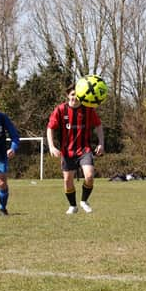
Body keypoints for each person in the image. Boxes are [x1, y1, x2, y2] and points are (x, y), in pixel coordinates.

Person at [47, 84, 104, 215]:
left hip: (85, 150)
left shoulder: (88, 109)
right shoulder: (60, 110)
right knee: (67, 180)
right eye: (72, 94)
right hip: (67, 152)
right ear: (68, 95)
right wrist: (51, 146)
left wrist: (101, 143)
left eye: (77, 94)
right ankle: (73, 206)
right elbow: (50, 127)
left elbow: (98, 126)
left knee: (89, 175)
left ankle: (84, 201)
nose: (75, 97)